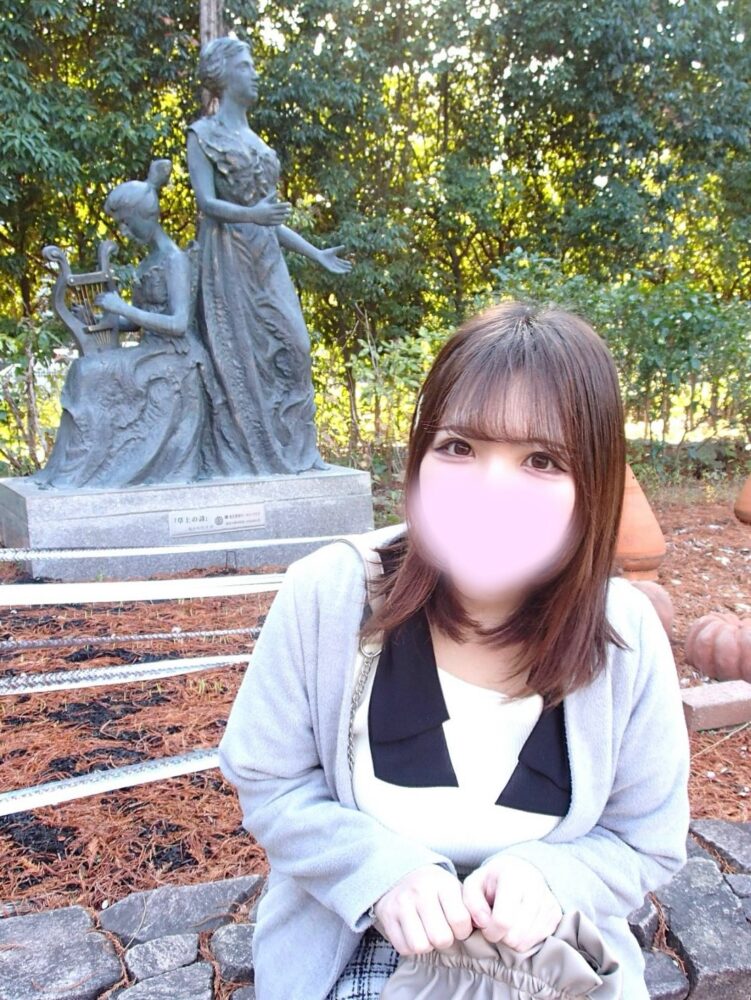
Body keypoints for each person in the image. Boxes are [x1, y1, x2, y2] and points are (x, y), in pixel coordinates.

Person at [216, 300, 691, 1000]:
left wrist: (550, 878)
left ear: (591, 485)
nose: (488, 492)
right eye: (459, 447)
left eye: (541, 460)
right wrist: (380, 874)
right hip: (356, 935)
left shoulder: (623, 633)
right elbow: (269, 779)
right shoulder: (328, 594)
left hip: (550, 948)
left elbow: (645, 837)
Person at [186, 36, 352, 477]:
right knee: (243, 357)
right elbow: (206, 203)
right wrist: (252, 215)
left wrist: (315, 253)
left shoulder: (256, 142)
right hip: (229, 259)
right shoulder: (203, 136)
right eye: (245, 65)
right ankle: (253, 455)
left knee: (295, 346)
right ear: (223, 75)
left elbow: (271, 219)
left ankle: (298, 451)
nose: (255, 73)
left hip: (266, 258)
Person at [35, 159, 213, 489]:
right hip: (151, 350)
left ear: (147, 217)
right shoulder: (148, 261)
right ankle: (70, 472)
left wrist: (124, 308)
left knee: (89, 372)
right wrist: (103, 317)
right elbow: (137, 323)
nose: (124, 232)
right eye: (120, 225)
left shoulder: (174, 259)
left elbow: (178, 323)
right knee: (84, 370)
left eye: (127, 224)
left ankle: (80, 475)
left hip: (176, 357)